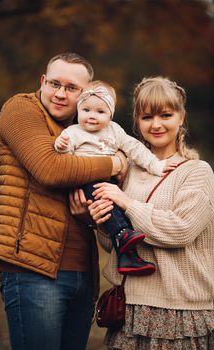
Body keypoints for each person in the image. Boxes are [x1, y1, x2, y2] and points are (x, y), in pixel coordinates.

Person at [0, 52, 127, 350]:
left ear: (86, 94)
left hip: (81, 271)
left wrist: (87, 216)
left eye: (72, 88)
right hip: (33, 270)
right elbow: (50, 169)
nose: (61, 94)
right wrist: (115, 163)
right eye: (55, 84)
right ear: (43, 81)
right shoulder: (21, 109)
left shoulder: (83, 131)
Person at [86, 77, 214, 349]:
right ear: (137, 121)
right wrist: (101, 223)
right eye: (147, 117)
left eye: (165, 115)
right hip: (130, 309)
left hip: (180, 310)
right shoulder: (127, 169)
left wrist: (126, 203)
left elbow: (181, 230)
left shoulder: (197, 172)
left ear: (181, 117)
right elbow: (113, 244)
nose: (156, 125)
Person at [55, 79, 177, 276]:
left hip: (108, 180)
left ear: (110, 114)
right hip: (86, 179)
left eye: (100, 112)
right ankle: (122, 233)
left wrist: (156, 165)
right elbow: (64, 161)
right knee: (107, 204)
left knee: (116, 207)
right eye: (86, 110)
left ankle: (129, 259)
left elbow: (135, 148)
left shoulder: (114, 130)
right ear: (78, 110)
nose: (92, 116)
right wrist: (61, 146)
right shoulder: (73, 132)